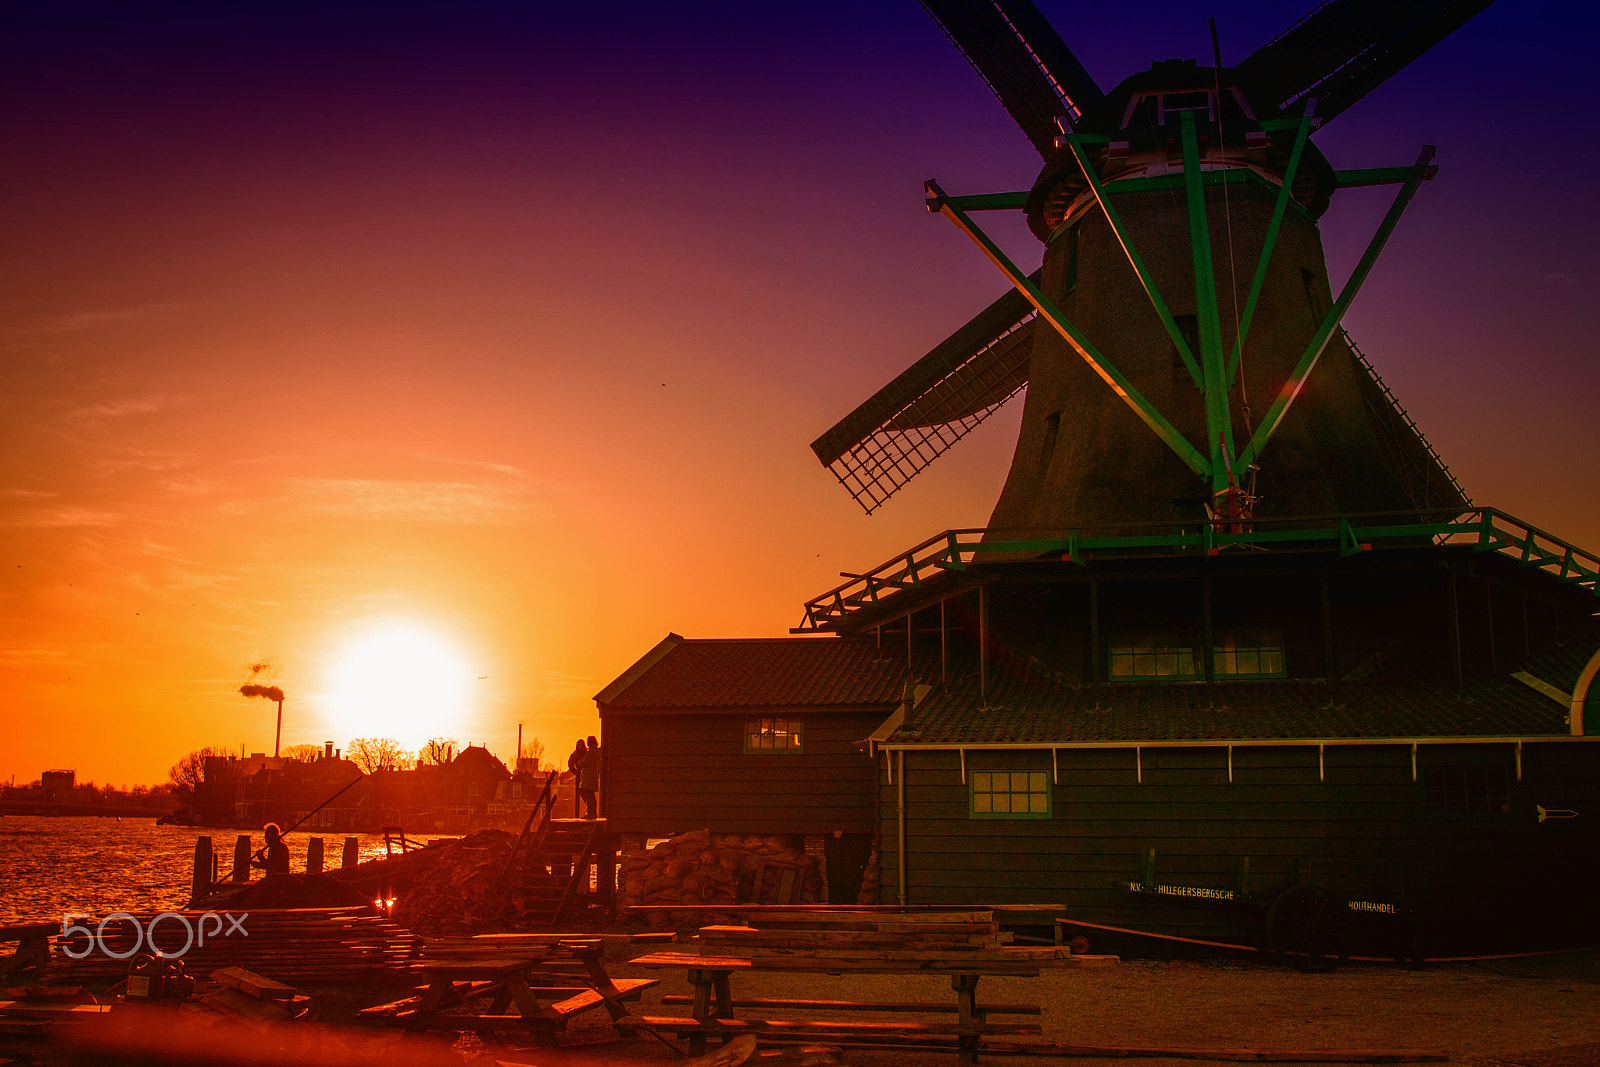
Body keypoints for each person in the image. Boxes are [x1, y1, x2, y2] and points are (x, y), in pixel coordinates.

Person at [579, 735, 601, 819]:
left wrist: (579, 761)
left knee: (587, 794)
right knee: (591, 795)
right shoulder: (597, 752)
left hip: (587, 777)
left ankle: (590, 813)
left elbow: (584, 763)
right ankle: (592, 812)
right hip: (593, 776)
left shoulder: (590, 753)